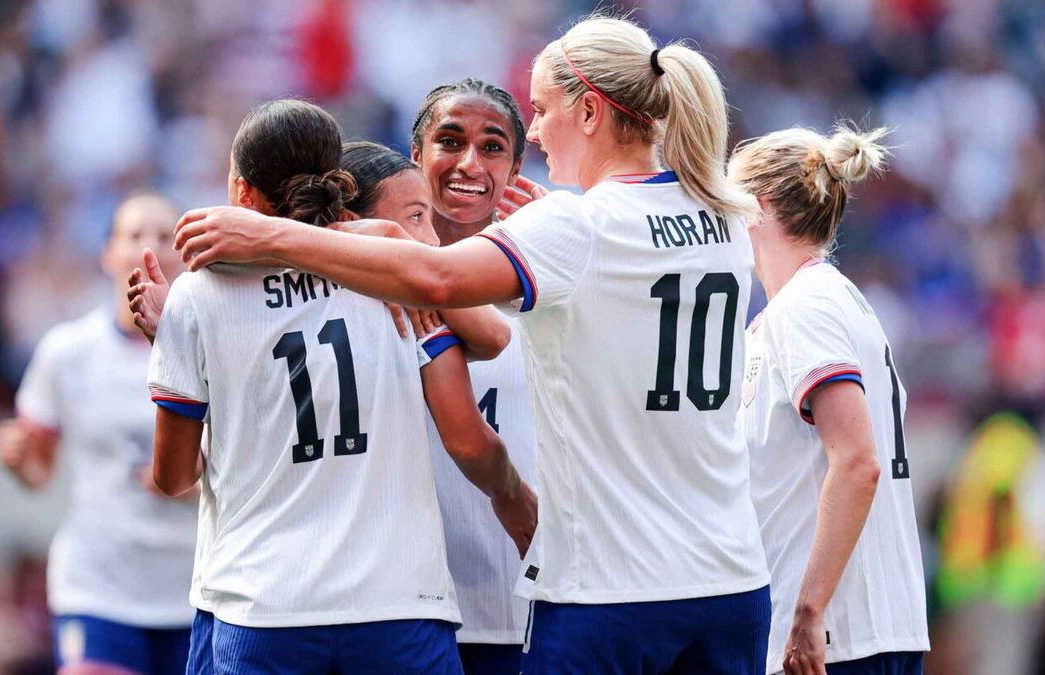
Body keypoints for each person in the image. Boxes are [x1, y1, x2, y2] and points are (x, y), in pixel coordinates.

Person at [169, 16, 772, 674]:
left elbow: (442, 280)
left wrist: (268, 238)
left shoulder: (571, 230)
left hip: (610, 587)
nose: (539, 130)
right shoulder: (722, 215)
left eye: (539, 112)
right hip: (730, 576)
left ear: (591, 112)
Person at [146, 98, 535, 674]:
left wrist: (194, 376)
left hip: (263, 607)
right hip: (399, 607)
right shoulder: (395, 280)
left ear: (240, 192)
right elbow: (486, 364)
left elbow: (173, 478)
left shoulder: (199, 297)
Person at [729, 126, 929, 675]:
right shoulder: (834, 301)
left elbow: (857, 461)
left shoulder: (805, 306)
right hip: (863, 628)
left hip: (836, 636)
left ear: (756, 206)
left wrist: (809, 609)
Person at [344, 126, 537, 675]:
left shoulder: (555, 274)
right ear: (416, 156)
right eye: (449, 143)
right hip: (403, 606)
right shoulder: (389, 313)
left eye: (494, 148)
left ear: (517, 169)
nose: (469, 164)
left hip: (517, 596)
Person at [0, 192, 196, 675]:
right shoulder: (68, 352)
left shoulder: (213, 348)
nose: (149, 247)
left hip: (194, 590)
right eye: (134, 235)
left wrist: (188, 474)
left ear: (184, 255)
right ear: (108, 253)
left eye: (164, 236)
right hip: (100, 585)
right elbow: (39, 472)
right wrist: (18, 458)